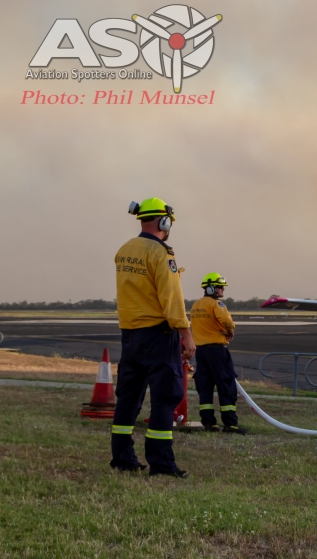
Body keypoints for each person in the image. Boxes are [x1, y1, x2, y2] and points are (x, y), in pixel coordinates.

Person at [111, 198, 194, 478]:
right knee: (165, 398)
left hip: (130, 336)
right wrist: (186, 335)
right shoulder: (161, 253)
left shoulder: (125, 250)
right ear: (164, 221)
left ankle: (122, 459)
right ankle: (161, 464)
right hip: (159, 335)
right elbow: (171, 298)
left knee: (128, 398)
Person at [189, 273, 247, 434]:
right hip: (217, 350)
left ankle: (208, 423)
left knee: (205, 387)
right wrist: (230, 331)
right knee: (226, 385)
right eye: (221, 287)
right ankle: (230, 424)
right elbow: (227, 322)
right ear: (211, 288)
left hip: (201, 351)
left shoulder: (195, 305)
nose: (222, 290)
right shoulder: (217, 304)